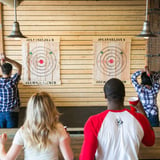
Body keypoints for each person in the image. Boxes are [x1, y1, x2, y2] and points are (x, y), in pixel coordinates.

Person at [80, 78, 155, 160]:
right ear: (124, 94)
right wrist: (142, 112)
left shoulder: (93, 122)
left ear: (105, 95)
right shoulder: (140, 119)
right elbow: (150, 142)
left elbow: (86, 157)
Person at [0, 92, 74, 160]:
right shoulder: (59, 128)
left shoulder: (23, 132)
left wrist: (1, 144)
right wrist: (67, 141)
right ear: (51, 109)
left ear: (30, 111)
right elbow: (69, 158)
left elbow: (7, 159)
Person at [0, 54, 22, 128]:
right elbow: (19, 66)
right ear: (11, 72)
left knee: (1, 134)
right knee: (11, 135)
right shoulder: (13, 82)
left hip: (1, 113)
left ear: (2, 71)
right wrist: (7, 59)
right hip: (12, 113)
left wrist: (2, 62)